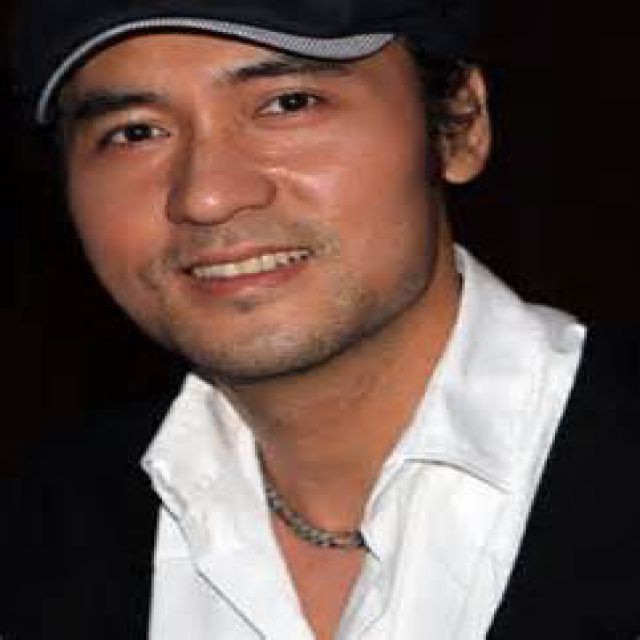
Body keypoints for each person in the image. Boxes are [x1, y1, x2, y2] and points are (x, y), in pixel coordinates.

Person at [3, 0, 640, 638]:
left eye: (289, 104)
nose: (207, 195)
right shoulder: (41, 537)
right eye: (135, 133)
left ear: (459, 126)